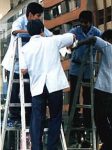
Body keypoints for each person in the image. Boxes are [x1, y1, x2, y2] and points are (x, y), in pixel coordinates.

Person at [20, 19, 75, 150]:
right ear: (42, 30)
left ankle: (37, 148)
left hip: (38, 86)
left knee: (37, 118)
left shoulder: (25, 48)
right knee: (55, 117)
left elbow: (23, 70)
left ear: (29, 32)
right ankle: (51, 147)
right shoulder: (53, 40)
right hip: (54, 84)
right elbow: (72, 37)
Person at [1, 2, 53, 126]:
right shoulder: (19, 21)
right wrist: (32, 32)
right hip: (14, 64)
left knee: (29, 92)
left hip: (28, 66)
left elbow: (49, 35)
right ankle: (14, 117)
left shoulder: (37, 24)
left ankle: (30, 118)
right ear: (30, 15)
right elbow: (15, 32)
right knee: (14, 92)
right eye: (37, 16)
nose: (38, 19)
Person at [87, 30, 112, 150]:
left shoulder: (108, 47)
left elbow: (94, 39)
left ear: (109, 39)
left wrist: (79, 44)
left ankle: (108, 145)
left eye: (104, 39)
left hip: (103, 89)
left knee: (99, 118)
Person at [69, 10, 102, 128]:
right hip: (76, 66)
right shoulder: (74, 32)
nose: (83, 25)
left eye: (86, 23)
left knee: (88, 95)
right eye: (81, 22)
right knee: (74, 94)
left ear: (91, 23)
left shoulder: (97, 33)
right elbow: (68, 46)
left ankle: (88, 120)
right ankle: (74, 118)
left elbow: (102, 46)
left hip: (89, 67)